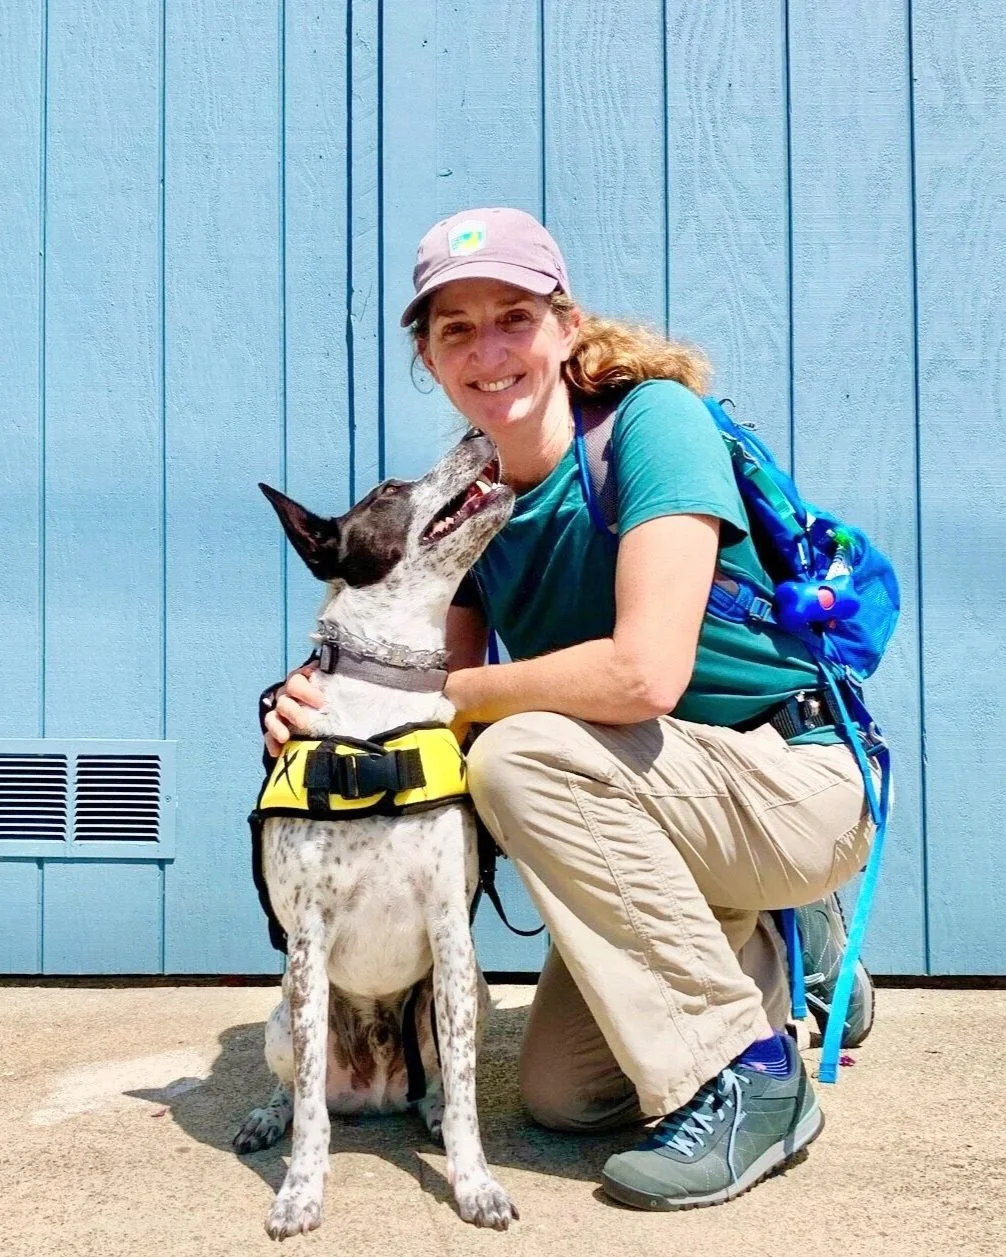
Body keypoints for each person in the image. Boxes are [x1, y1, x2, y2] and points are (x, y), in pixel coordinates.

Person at [261, 207, 878, 1211]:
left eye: (512, 316)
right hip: (661, 802)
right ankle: (780, 960)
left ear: (565, 323)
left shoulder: (651, 424)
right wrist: (313, 710)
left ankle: (750, 1080)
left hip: (793, 781)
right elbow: (423, 721)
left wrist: (429, 700)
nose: (488, 350)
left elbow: (643, 677)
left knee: (517, 756)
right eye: (454, 329)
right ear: (426, 354)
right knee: (563, 1095)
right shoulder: (472, 502)